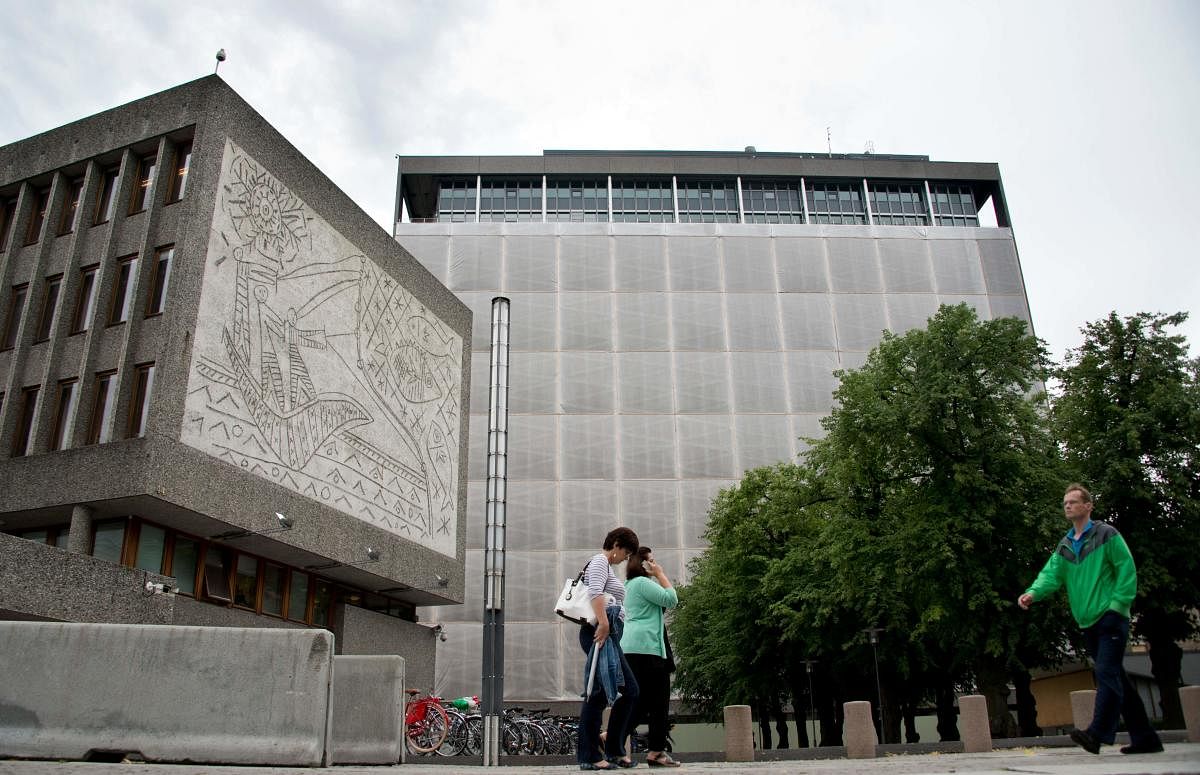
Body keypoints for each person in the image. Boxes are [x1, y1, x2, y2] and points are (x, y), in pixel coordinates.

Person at [1018, 484, 1163, 756]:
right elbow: (1051, 574)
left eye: (1073, 502)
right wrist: (1032, 593)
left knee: (1106, 673)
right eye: (1065, 503)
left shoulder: (1107, 535)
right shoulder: (1066, 544)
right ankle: (1145, 738)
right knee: (1118, 679)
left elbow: (1126, 569)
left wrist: (1117, 606)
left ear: (1088, 506)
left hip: (1110, 618)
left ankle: (1097, 733)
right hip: (1087, 622)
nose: (1068, 506)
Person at [577, 527, 641, 770]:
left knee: (617, 691)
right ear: (616, 544)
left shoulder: (605, 565)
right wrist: (604, 624)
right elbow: (595, 593)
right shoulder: (599, 562)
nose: (626, 558)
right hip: (599, 632)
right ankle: (591, 755)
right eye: (626, 552)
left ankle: (611, 750)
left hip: (607, 633)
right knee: (602, 692)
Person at [623, 547, 681, 768]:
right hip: (647, 648)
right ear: (644, 563)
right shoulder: (643, 584)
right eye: (652, 561)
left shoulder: (628, 586)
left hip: (632, 648)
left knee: (640, 701)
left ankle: (612, 736)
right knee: (659, 702)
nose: (655, 564)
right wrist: (660, 574)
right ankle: (656, 752)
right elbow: (672, 598)